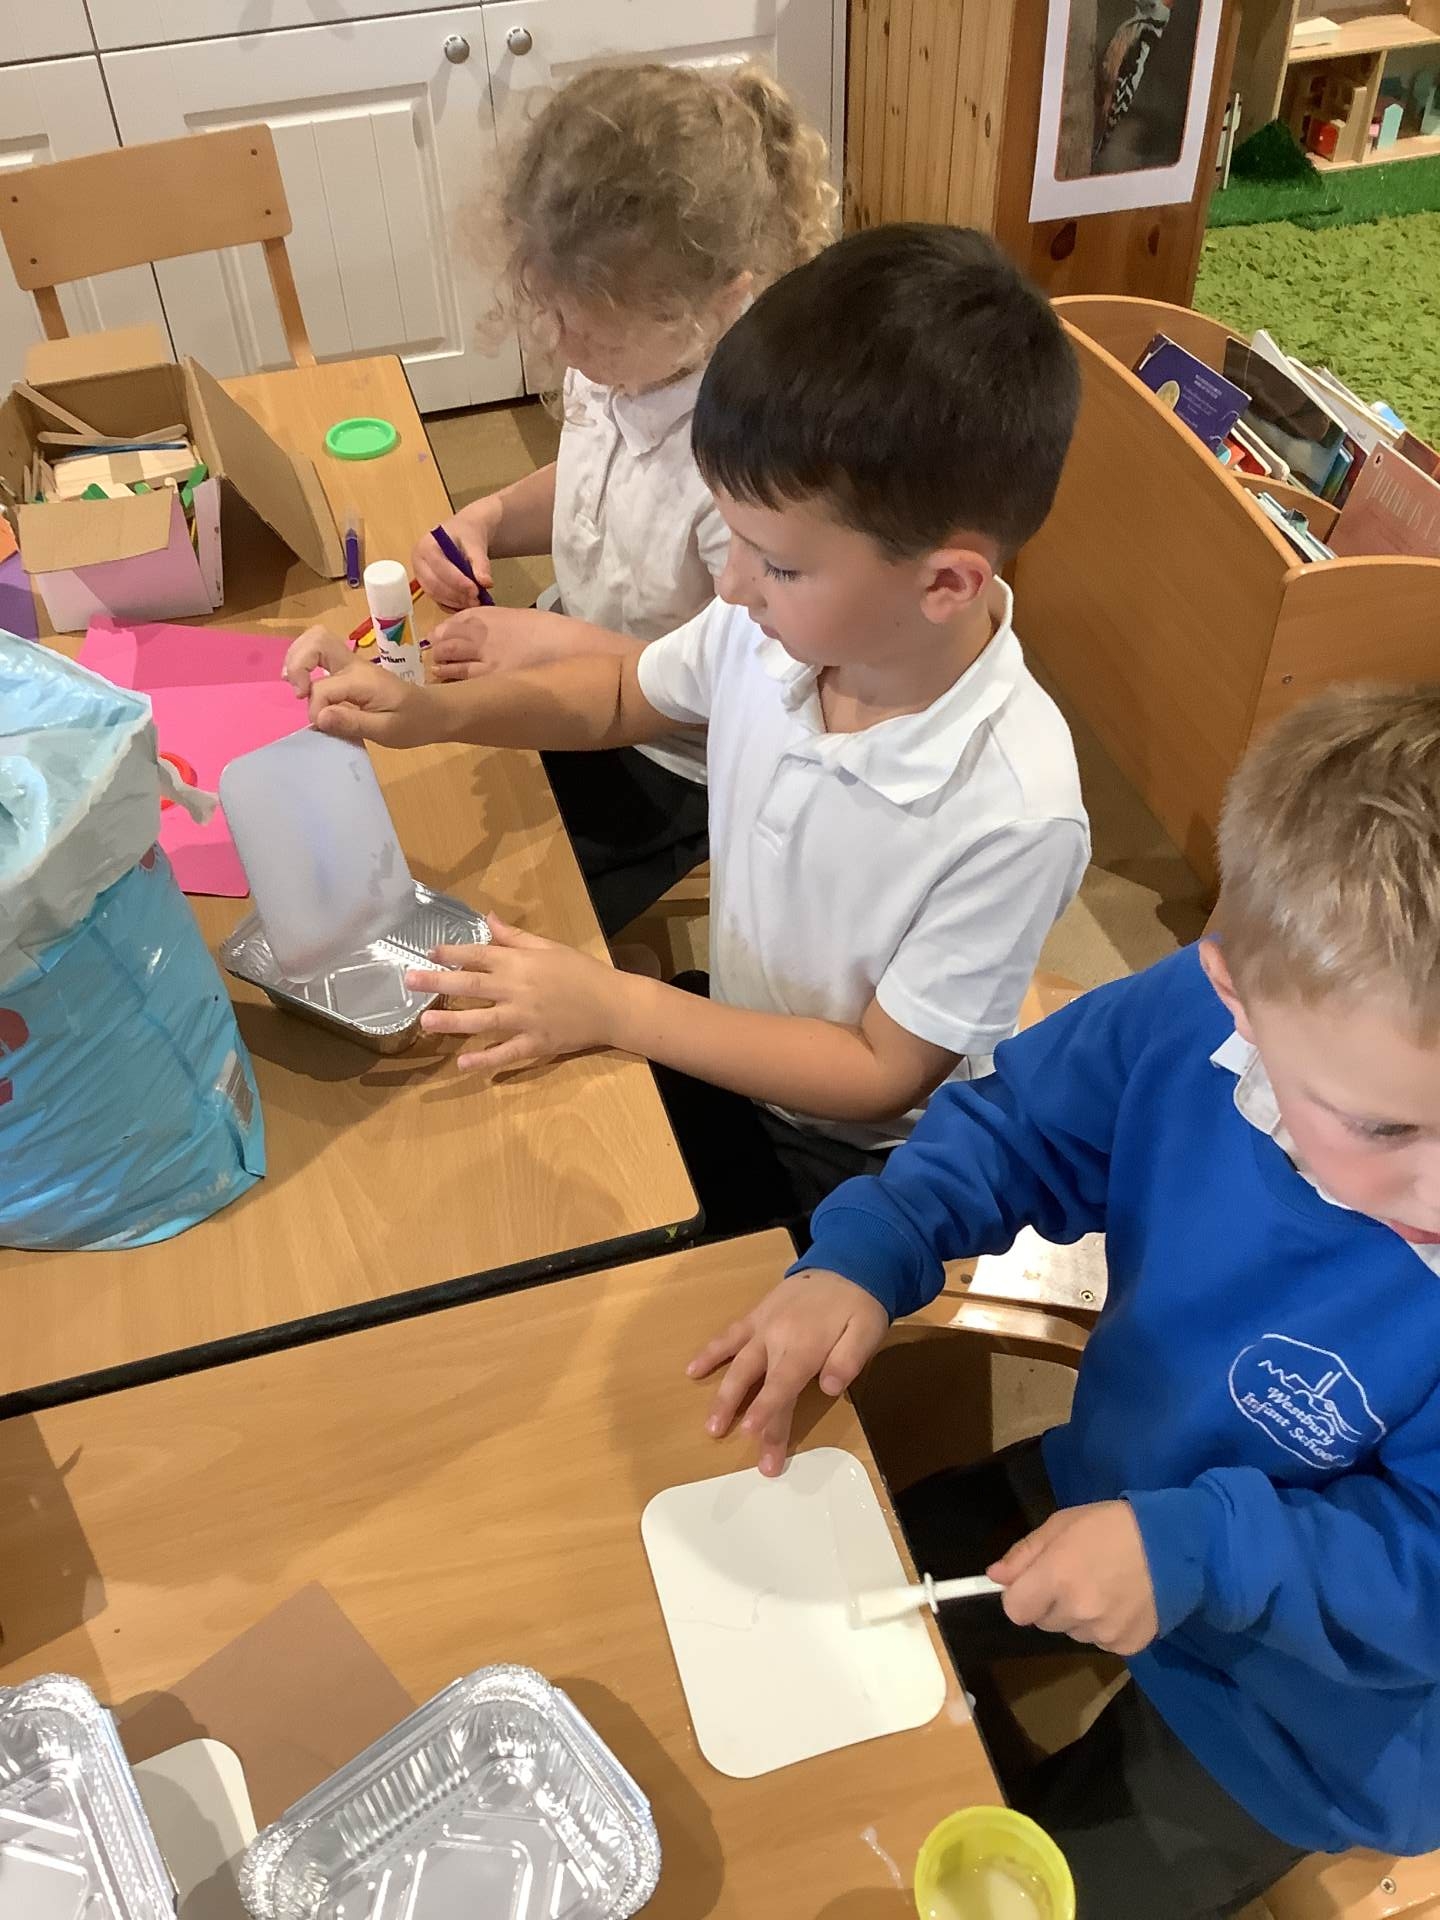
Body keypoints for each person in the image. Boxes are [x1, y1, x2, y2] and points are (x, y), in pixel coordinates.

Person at [690, 683, 1440, 1917]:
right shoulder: (1190, 1021)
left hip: (1321, 1713)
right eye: (1387, 1128)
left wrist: (1199, 1551)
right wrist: (872, 1248)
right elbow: (1023, 1126)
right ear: (1236, 1000)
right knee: (787, 1624)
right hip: (1116, 1484)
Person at [291, 225, 1089, 1243]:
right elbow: (624, 692)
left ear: (946, 583)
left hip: (858, 1162)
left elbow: (877, 1072)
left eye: (776, 562)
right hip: (736, 1036)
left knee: (573, 1243)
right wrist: (439, 716)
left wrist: (618, 1008)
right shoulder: (779, 630)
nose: (732, 584)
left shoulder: (1013, 811)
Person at [413, 61, 835, 936]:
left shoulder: (754, 467)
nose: (565, 348)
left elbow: (748, 687)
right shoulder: (629, 365)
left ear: (721, 303)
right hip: (573, 656)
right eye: (553, 314)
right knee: (416, 797)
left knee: (499, 924)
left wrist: (553, 646)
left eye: (593, 331)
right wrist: (487, 517)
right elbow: (591, 480)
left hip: (676, 758)